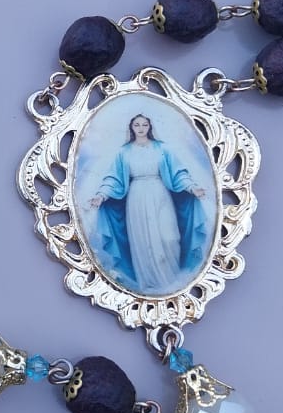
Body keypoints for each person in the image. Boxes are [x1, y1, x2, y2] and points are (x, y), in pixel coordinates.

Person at [88, 113, 208, 295]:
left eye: (144, 124)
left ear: (150, 127)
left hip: (160, 194)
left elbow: (178, 173)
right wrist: (101, 195)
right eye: (137, 125)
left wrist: (192, 187)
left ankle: (172, 283)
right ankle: (149, 284)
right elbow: (113, 178)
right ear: (131, 128)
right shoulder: (124, 152)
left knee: (170, 238)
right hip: (136, 198)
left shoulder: (162, 149)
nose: (141, 128)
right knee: (143, 241)